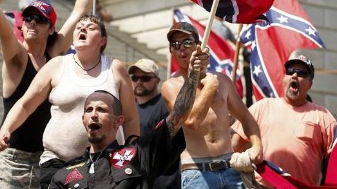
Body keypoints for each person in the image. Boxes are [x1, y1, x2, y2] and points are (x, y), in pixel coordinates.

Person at [0, 14, 139, 188]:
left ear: (102, 41)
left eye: (90, 28)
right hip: (56, 164)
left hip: (103, 163)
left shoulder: (114, 68)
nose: (82, 29)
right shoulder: (57, 65)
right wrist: (6, 129)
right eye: (79, 27)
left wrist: (132, 153)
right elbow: (25, 105)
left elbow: (130, 117)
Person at [0, 0, 95, 189]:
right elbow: (5, 33)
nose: (32, 23)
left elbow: (79, 11)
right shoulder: (17, 58)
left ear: (51, 28)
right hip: (10, 159)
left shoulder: (53, 57)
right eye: (28, 18)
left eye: (40, 20)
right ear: (22, 26)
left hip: (45, 160)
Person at [50, 45, 207, 188]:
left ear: (119, 120)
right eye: (89, 110)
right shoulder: (64, 174)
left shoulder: (139, 155)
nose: (94, 114)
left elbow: (178, 115)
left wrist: (192, 74)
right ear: (83, 119)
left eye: (101, 110)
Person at [161, 22, 263, 189]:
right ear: (171, 50)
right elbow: (192, 121)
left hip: (231, 168)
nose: (182, 48)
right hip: (197, 173)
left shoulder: (222, 80)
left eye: (187, 42)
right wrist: (209, 87)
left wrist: (257, 144)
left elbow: (245, 116)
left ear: (198, 46)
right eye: (176, 44)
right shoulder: (170, 86)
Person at [232, 54, 336, 187]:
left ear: (310, 84)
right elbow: (234, 145)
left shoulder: (323, 116)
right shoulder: (262, 106)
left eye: (302, 73)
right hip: (261, 186)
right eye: (290, 72)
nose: (294, 76)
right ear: (284, 78)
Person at [128, 58, 181, 188]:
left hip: (163, 182)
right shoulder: (130, 109)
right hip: (137, 179)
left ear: (157, 80)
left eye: (145, 78)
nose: (139, 82)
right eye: (135, 78)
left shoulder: (165, 105)